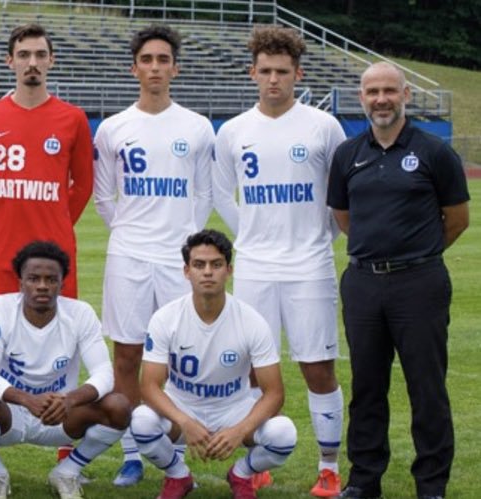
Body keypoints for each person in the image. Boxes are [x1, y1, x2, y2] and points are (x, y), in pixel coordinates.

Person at [211, 26, 346, 496]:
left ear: (298, 74)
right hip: (255, 268)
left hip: (309, 266)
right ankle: (257, 461)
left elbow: (339, 195)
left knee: (317, 367)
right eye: (265, 71)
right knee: (254, 370)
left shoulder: (322, 126)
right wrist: (249, 231)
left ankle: (329, 466)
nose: (273, 80)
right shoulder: (234, 131)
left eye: (282, 72)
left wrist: (318, 236)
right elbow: (218, 191)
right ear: (252, 74)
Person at [327, 62, 470, 499]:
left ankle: (431, 484)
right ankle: (364, 480)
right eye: (373, 91)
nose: (381, 99)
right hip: (363, 283)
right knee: (367, 386)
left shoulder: (434, 152)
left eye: (390, 90)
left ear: (406, 94)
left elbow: (457, 219)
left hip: (420, 283)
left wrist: (415, 256)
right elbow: (344, 216)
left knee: (426, 386)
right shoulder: (348, 154)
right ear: (361, 97)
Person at [89, 24, 213, 487]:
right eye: (147, 60)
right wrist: (130, 234)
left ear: (175, 69)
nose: (155, 68)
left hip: (177, 259)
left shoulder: (197, 127)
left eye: (164, 60)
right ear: (134, 68)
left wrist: (185, 244)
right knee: (127, 354)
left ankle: (173, 451)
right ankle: (132, 453)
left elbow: (202, 194)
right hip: (129, 255)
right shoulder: (115, 128)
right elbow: (105, 198)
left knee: (179, 355)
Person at [132, 230, 297, 499]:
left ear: (228, 270)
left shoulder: (252, 321)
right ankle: (178, 476)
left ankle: (241, 475)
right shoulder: (165, 318)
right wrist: (185, 421)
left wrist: (239, 430)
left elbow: (275, 392)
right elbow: (149, 387)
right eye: (199, 264)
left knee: (284, 434)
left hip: (234, 410)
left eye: (216, 264)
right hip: (182, 408)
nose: (207, 272)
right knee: (141, 421)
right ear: (186, 271)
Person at [0, 241, 132, 499]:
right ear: (20, 282)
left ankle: (68, 471)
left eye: (51, 279)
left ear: (62, 283)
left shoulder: (80, 313)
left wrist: (69, 400)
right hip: (10, 414)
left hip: (59, 414)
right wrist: (27, 400)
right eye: (33, 278)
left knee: (119, 406)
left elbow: (104, 375)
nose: (42, 285)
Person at [0, 23, 94, 311]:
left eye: (40, 55)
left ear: (51, 60)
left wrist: (56, 217)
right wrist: (9, 213)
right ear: (9, 61)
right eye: (24, 55)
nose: (32, 63)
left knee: (58, 336)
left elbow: (83, 185)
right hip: (1, 247)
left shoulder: (73, 118)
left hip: (55, 247)